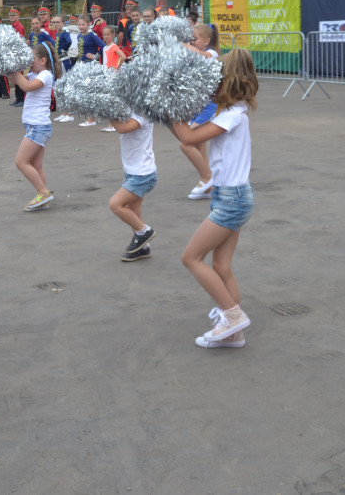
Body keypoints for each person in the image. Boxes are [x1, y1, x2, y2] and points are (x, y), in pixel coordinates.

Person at [169, 49, 259, 348]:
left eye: (213, 81)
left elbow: (188, 138)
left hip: (232, 199)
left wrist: (165, 104)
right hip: (232, 195)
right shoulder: (230, 113)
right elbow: (186, 132)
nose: (209, 87)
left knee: (191, 258)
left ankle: (232, 316)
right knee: (221, 266)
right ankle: (233, 331)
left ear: (226, 83)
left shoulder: (233, 115)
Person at [10, 40, 62, 211]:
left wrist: (17, 70)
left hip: (38, 127)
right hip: (37, 126)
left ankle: (43, 192)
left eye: (31, 59)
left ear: (43, 60)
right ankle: (43, 198)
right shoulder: (35, 74)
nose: (29, 62)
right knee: (36, 165)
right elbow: (15, 81)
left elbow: (26, 87)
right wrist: (11, 66)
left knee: (21, 162)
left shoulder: (45, 75)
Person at [108, 112, 156, 261]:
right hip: (132, 171)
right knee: (134, 213)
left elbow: (124, 128)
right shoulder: (130, 109)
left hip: (143, 174)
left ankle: (144, 232)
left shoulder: (143, 111)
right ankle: (143, 248)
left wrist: (107, 113)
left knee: (116, 204)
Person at [181, 24, 221, 199]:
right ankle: (208, 187)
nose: (191, 42)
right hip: (197, 107)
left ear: (206, 41)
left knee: (186, 143)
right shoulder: (193, 56)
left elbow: (204, 56)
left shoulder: (212, 54)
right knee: (199, 146)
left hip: (209, 108)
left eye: (194, 39)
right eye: (190, 39)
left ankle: (208, 177)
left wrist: (184, 45)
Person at [76, 14, 105, 127]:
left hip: (90, 65)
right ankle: (91, 118)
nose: (81, 26)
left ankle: (92, 119)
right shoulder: (79, 36)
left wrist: (96, 56)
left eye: (83, 24)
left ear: (88, 24)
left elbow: (103, 46)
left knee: (90, 92)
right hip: (82, 65)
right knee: (85, 92)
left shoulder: (92, 35)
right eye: (79, 24)